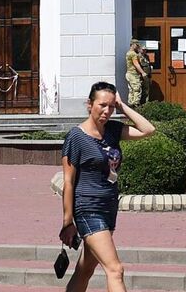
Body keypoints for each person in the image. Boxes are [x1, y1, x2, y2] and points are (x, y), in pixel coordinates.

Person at [60, 82, 155, 292]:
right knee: (115, 270)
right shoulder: (76, 137)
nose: (107, 111)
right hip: (88, 209)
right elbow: (68, 181)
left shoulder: (112, 130)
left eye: (111, 106)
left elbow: (148, 130)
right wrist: (67, 223)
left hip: (108, 207)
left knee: (85, 270)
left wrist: (122, 106)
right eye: (102, 105)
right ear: (89, 104)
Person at [124, 40, 149, 107]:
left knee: (132, 90)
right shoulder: (133, 54)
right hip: (133, 74)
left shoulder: (128, 53)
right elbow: (136, 64)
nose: (138, 47)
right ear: (133, 44)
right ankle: (135, 105)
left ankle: (130, 105)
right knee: (137, 90)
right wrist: (143, 72)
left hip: (129, 74)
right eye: (137, 45)